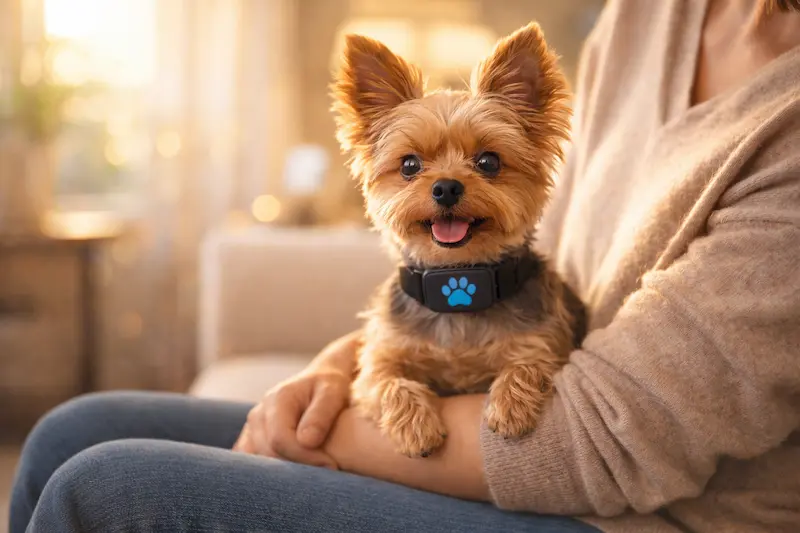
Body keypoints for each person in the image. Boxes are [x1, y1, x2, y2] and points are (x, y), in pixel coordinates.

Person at [10, 0, 800, 531]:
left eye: (480, 162)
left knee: (103, 483)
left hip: (634, 509)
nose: (449, 185)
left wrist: (318, 435)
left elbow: (602, 437)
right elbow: (530, 213)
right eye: (418, 166)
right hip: (483, 368)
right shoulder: (650, 14)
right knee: (72, 428)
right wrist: (336, 367)